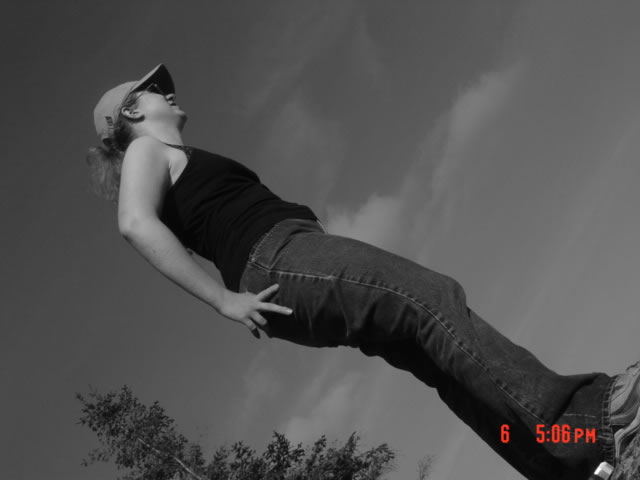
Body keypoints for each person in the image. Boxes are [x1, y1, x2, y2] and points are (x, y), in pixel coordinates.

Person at [87, 64, 638, 479]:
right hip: (275, 258)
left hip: (290, 254)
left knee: (435, 358)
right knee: (431, 299)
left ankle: (571, 464)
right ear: (132, 112)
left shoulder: (171, 154)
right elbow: (134, 223)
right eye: (155, 89)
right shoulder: (145, 151)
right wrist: (221, 300)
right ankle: (599, 419)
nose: (168, 92)